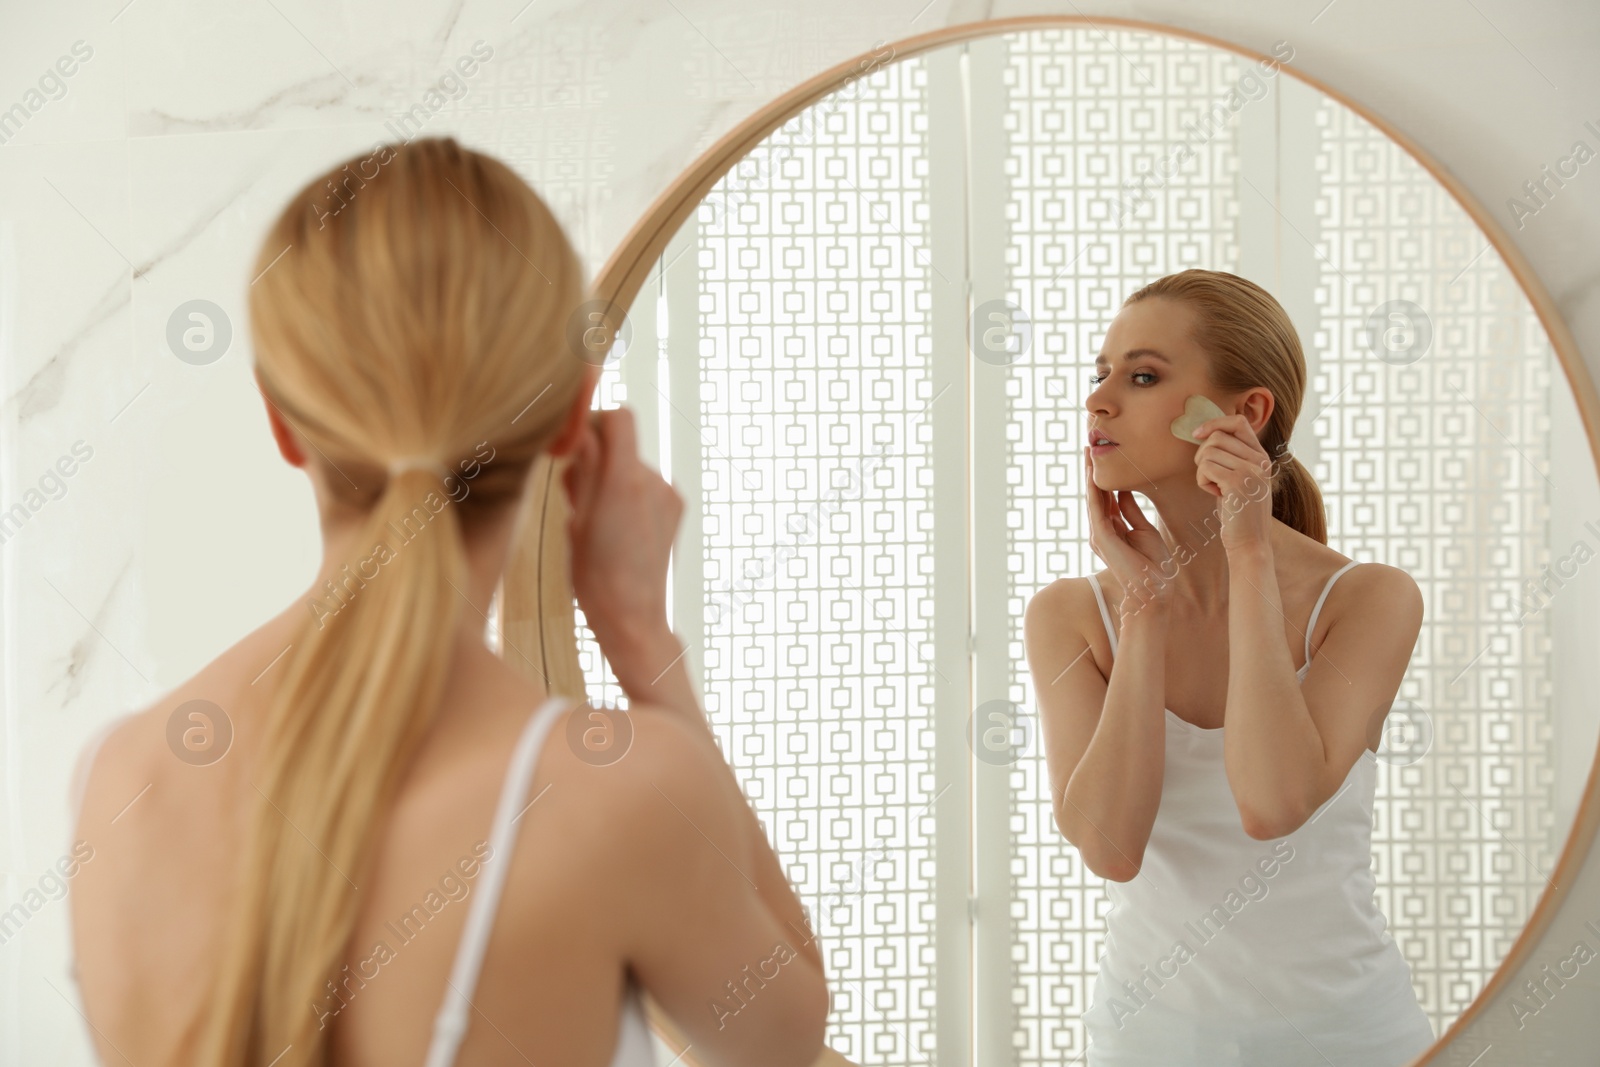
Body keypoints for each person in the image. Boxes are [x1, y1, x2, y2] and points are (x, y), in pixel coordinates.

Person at [65, 136, 829, 1067]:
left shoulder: (122, 781)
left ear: (283, 422)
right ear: (569, 414)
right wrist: (639, 638)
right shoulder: (617, 798)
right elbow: (786, 1042)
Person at [1023, 269, 1436, 1066]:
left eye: (1141, 376)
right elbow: (1110, 845)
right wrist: (1143, 608)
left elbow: (1273, 801)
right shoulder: (1072, 616)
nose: (1098, 400)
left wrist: (1246, 548)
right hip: (1148, 1041)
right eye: (1099, 371)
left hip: (1352, 1040)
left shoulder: (1369, 599)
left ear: (1244, 414)